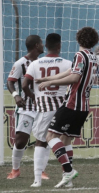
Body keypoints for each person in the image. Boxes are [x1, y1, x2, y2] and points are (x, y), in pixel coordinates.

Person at [35, 27, 99, 188]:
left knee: (50, 136)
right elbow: (70, 71)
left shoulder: (79, 55)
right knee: (65, 139)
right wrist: (48, 78)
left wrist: (50, 83)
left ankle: (68, 171)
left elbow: (74, 77)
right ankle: (68, 180)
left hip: (72, 103)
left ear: (78, 39)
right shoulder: (92, 57)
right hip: (83, 106)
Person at [22, 33, 72, 187]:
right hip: (63, 108)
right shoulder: (68, 63)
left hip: (45, 108)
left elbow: (25, 85)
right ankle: (68, 178)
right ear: (59, 46)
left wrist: (34, 97)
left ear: (47, 46)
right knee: (65, 140)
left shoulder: (35, 64)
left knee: (41, 141)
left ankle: (37, 179)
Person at [6, 35, 45, 180]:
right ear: (36, 45)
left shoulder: (43, 63)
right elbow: (9, 82)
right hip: (26, 108)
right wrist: (16, 95)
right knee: (21, 140)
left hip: (42, 107)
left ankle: (41, 171)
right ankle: (15, 170)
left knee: (43, 139)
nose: (43, 45)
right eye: (41, 43)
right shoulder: (20, 63)